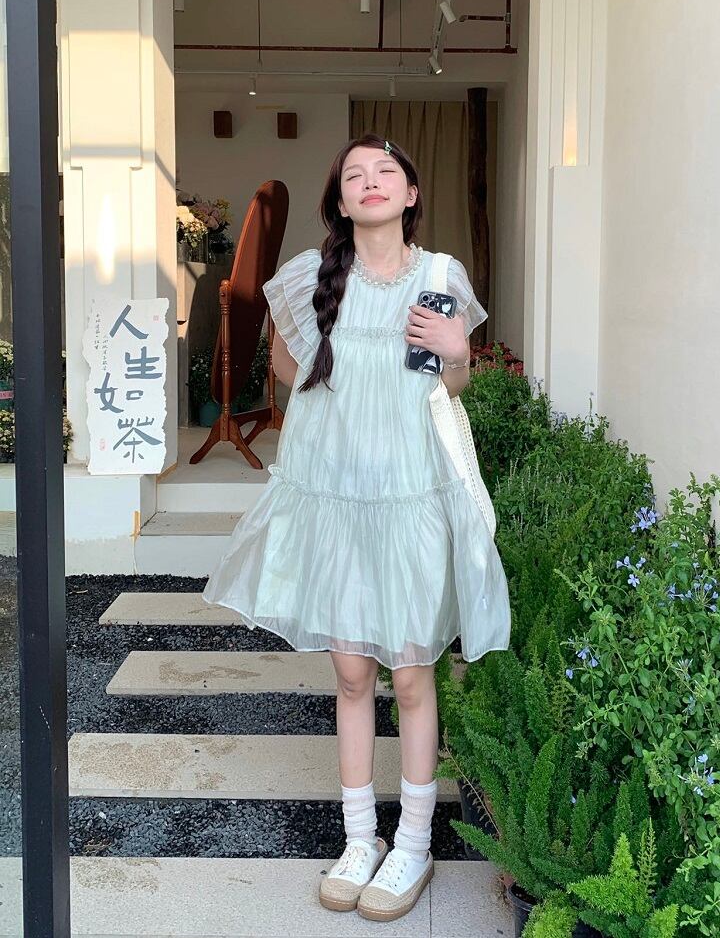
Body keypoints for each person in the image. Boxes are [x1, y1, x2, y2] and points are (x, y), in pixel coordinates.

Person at [201, 133, 511, 922]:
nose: (370, 182)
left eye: (386, 171)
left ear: (410, 192)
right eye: (354, 175)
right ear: (340, 201)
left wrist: (457, 353)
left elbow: (453, 381)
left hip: (410, 497)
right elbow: (285, 370)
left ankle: (413, 843)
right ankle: (358, 837)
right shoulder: (311, 275)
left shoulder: (440, 277)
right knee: (349, 672)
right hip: (337, 497)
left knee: (409, 673)